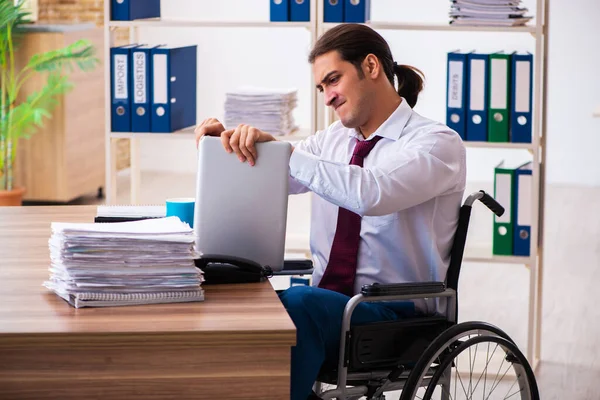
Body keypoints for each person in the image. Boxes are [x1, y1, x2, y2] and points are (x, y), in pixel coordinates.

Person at [194, 24, 466, 400]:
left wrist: (289, 155)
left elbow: (372, 192)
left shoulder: (436, 144)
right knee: (242, 296)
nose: (326, 98)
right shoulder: (331, 141)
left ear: (371, 67)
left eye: (333, 80)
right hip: (333, 307)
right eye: (321, 87)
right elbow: (276, 182)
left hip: (395, 317)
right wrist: (223, 149)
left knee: (299, 303)